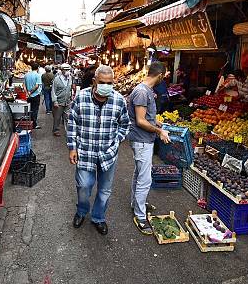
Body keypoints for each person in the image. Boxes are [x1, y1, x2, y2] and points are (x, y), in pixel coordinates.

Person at [67, 65, 130, 235]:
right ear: (94, 81)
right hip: (85, 151)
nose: (106, 86)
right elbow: (72, 123)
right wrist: (72, 147)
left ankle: (98, 217)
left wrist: (116, 141)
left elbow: (125, 125)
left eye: (109, 83)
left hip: (108, 154)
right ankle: (81, 211)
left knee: (104, 191)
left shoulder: (119, 100)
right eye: (102, 82)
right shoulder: (81, 97)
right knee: (83, 186)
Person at [127, 62, 171, 235]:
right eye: (164, 77)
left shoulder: (144, 91)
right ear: (160, 76)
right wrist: (159, 130)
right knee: (145, 179)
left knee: (139, 174)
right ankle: (140, 216)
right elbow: (140, 120)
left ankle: (136, 203)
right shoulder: (142, 92)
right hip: (141, 140)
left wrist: (156, 122)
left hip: (144, 140)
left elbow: (146, 118)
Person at [52, 63, 74, 136]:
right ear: (62, 70)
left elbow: (70, 88)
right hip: (59, 101)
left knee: (67, 117)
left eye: (68, 70)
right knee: (57, 117)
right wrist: (55, 101)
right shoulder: (57, 79)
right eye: (66, 70)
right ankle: (56, 130)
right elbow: (53, 91)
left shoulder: (70, 78)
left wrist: (71, 96)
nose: (68, 71)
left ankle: (68, 130)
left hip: (67, 101)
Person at [24, 63, 43, 129]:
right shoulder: (38, 75)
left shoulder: (26, 75)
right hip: (35, 95)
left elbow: (24, 85)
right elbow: (36, 86)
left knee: (29, 109)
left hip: (28, 96)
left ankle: (29, 123)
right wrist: (30, 92)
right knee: (35, 109)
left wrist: (27, 93)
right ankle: (34, 124)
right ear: (37, 68)